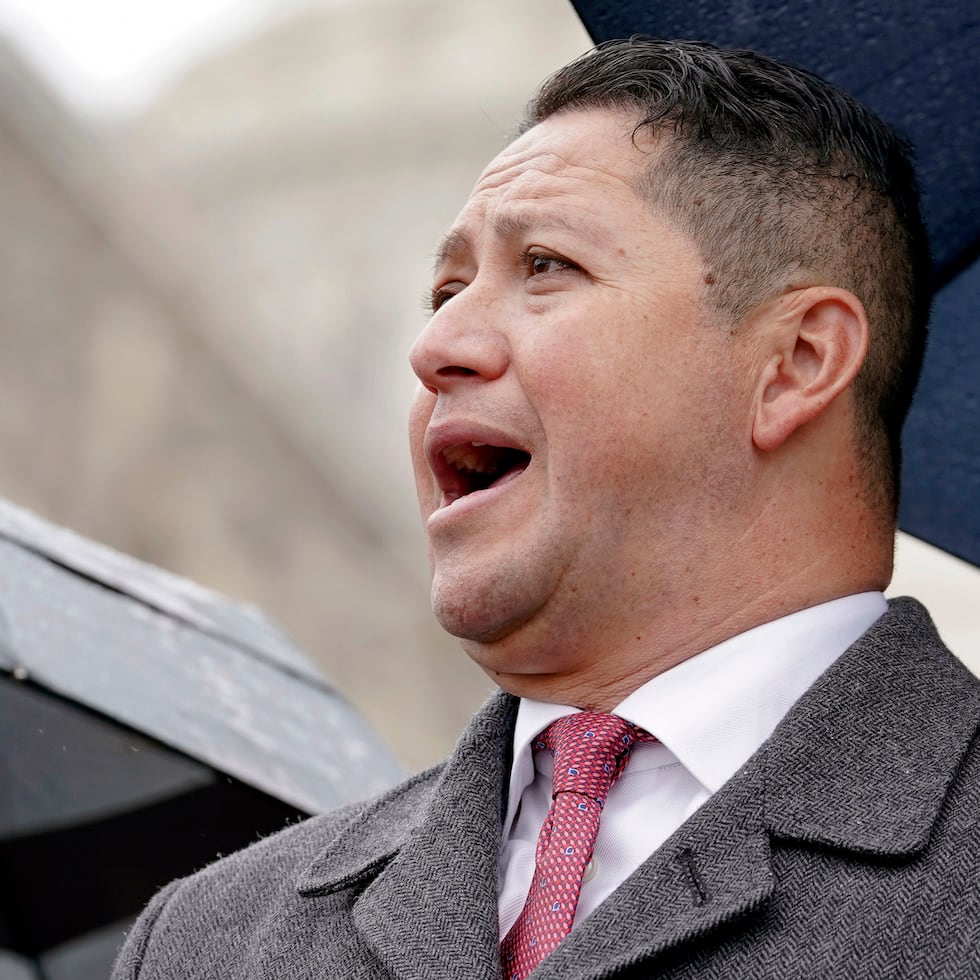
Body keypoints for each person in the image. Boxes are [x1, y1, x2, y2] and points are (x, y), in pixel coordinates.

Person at [112, 37, 980, 980]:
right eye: (445, 290)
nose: (437, 343)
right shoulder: (208, 941)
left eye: (545, 266)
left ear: (798, 362)